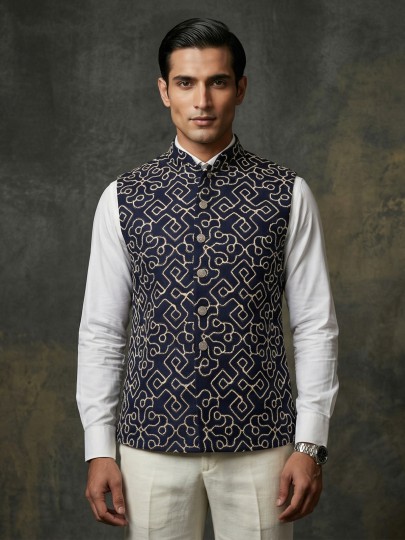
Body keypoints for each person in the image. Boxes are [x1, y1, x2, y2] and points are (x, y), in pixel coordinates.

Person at [77, 17, 338, 540]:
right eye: (185, 83)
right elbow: (102, 330)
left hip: (263, 445)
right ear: (164, 91)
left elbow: (315, 325)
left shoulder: (286, 194)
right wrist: (99, 447)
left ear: (240, 88)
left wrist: (310, 444)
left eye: (217, 82)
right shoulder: (123, 198)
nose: (202, 101)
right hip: (150, 443)